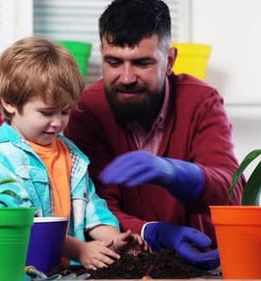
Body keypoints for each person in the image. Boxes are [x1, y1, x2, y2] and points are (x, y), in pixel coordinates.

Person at [64, 0, 245, 270]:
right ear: (102, 54)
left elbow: (232, 193)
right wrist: (153, 232)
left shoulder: (201, 101)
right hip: (122, 266)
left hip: (200, 264)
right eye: (114, 62)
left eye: (142, 63)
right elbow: (91, 208)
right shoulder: (86, 110)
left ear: (169, 60)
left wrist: (179, 174)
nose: (126, 77)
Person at [0, 36, 148, 270]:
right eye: (46, 113)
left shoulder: (71, 155)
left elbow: (92, 209)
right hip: (22, 273)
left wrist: (114, 239)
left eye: (65, 112)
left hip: (67, 272)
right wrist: (80, 249)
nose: (57, 123)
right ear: (9, 103)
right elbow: (24, 226)